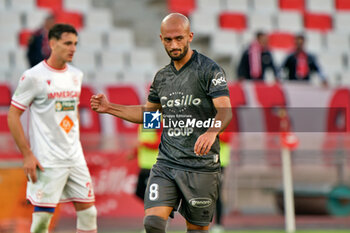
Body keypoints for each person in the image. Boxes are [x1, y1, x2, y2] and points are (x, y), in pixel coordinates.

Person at [91, 13, 232, 233]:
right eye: (168, 40)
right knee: (153, 223)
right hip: (167, 164)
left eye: (179, 38)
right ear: (161, 39)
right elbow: (149, 117)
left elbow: (225, 110)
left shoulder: (210, 70)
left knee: (196, 229)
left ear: (190, 36)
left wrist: (211, 132)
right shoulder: (161, 78)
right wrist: (110, 108)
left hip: (200, 166)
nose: (174, 44)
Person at [7, 24, 97, 233]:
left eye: (75, 44)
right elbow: (13, 114)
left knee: (89, 213)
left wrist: (75, 142)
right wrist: (27, 154)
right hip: (48, 160)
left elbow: (71, 112)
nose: (72, 48)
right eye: (67, 43)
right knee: (41, 222)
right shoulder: (33, 76)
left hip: (74, 158)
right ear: (52, 43)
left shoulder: (76, 75)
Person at [211, 133, 231, 233]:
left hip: (219, 164)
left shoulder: (224, 119)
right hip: (204, 163)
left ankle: (218, 224)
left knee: (217, 194)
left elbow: (227, 138)